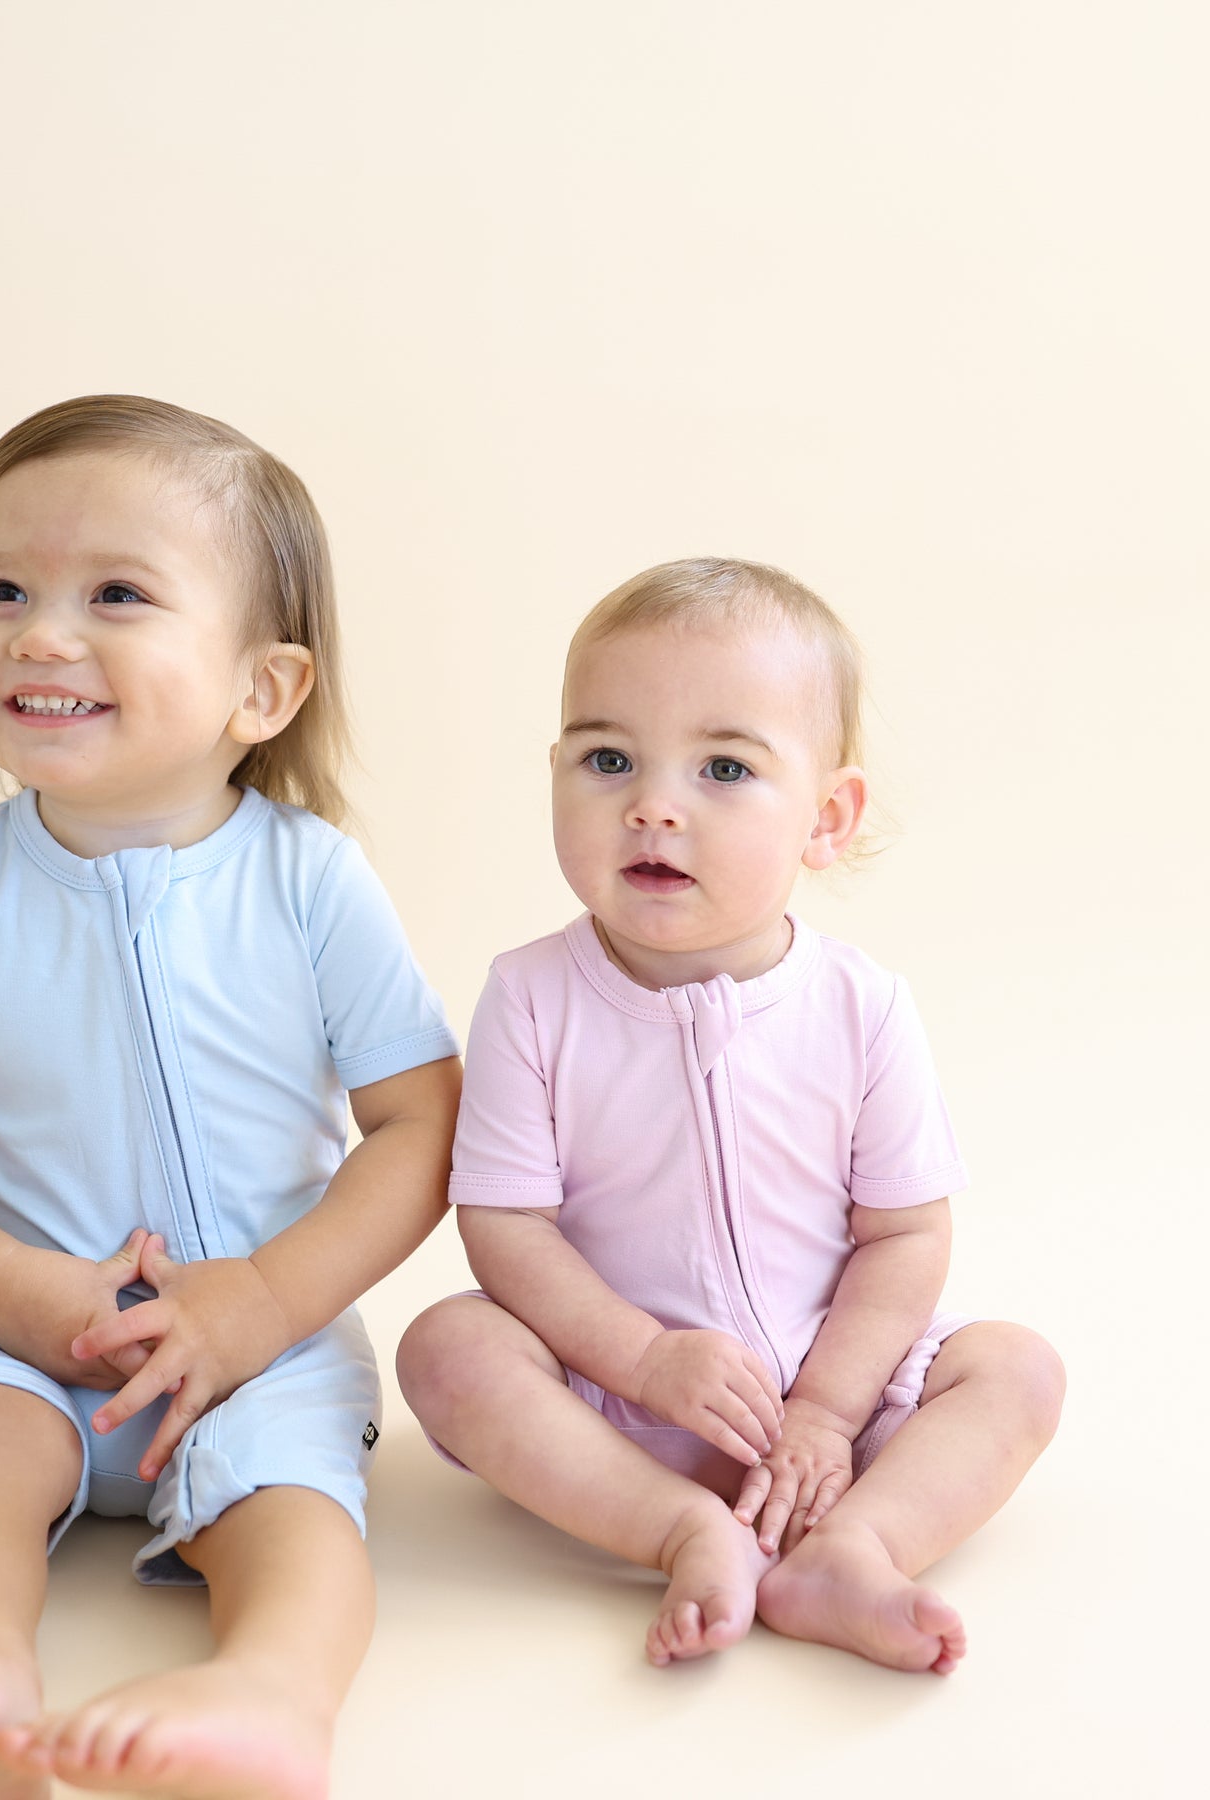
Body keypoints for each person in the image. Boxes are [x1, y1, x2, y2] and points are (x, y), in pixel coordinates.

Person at [0, 395, 460, 1799]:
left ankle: (270, 1698)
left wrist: (268, 1302)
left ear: (260, 691)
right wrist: (19, 1296)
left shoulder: (309, 882)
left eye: (116, 594)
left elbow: (420, 1123)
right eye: (1, 590)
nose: (41, 634)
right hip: (17, 1335)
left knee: (291, 1511)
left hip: (258, 1340)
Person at [397, 557, 1064, 1677]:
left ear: (827, 816)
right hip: (612, 1399)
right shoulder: (532, 995)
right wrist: (643, 1358)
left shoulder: (861, 1006)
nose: (654, 804)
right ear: (553, 773)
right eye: (607, 759)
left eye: (723, 768)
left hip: (833, 1399)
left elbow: (903, 1235)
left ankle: (850, 1547)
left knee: (1017, 1369)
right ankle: (677, 1527)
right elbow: (505, 1226)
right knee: (446, 1347)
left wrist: (825, 1410)